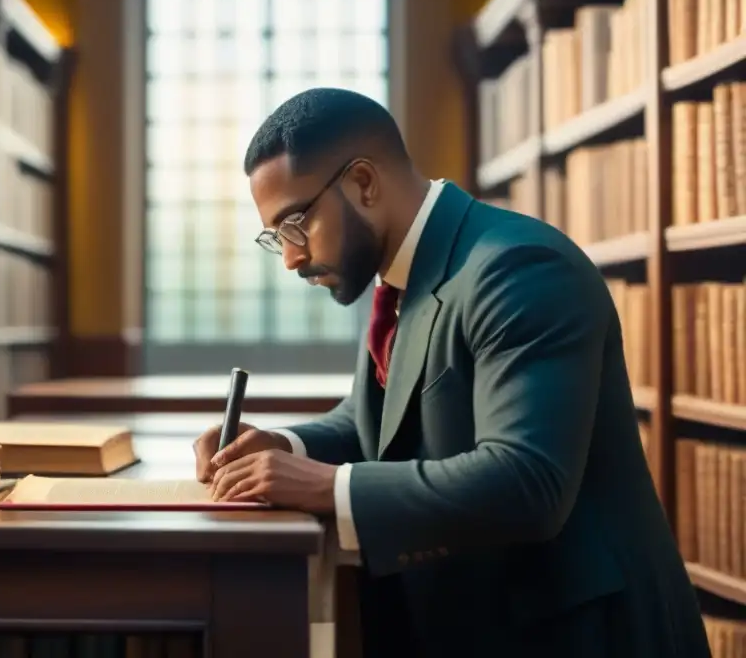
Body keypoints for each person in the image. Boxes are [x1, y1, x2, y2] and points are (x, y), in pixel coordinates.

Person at [192, 87, 709, 657]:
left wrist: (327, 485)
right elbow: (378, 424)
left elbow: (526, 482)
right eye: (277, 238)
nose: (290, 258)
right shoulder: (399, 271)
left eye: (295, 225)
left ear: (363, 184)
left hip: (578, 636)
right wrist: (282, 445)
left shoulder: (519, 268)